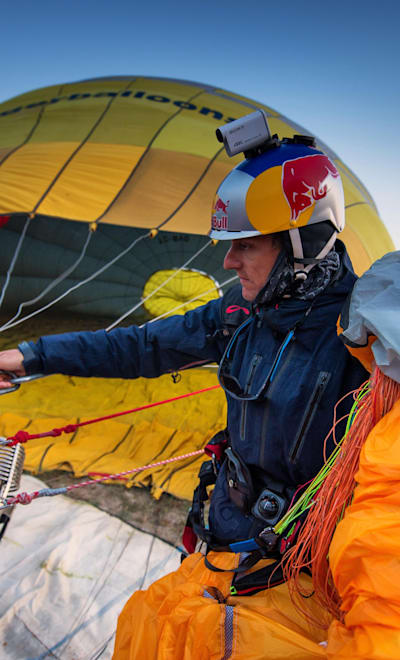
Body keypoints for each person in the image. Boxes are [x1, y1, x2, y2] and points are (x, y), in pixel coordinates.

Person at [0, 128, 369, 658]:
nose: (227, 262)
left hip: (294, 577)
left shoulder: (361, 341)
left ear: (301, 246)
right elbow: (139, 347)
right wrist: (29, 356)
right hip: (218, 537)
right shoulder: (241, 313)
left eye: (245, 245)